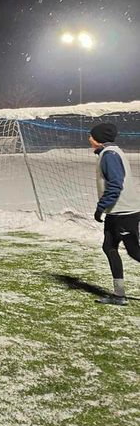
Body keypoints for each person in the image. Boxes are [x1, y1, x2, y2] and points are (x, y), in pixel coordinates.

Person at [90, 122, 140, 306]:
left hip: (124, 211)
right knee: (108, 247)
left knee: (135, 252)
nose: (89, 138)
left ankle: (119, 296)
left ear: (99, 139)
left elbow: (116, 184)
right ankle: (119, 295)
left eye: (91, 136)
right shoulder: (109, 152)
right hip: (116, 212)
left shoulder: (109, 155)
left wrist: (101, 206)